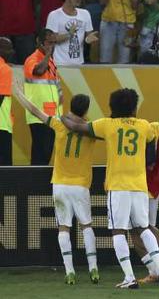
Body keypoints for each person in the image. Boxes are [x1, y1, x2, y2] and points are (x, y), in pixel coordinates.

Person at [59, 87, 159, 288]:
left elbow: (76, 127)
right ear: (134, 108)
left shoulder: (107, 125)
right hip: (140, 187)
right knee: (143, 229)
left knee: (118, 231)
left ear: (112, 107)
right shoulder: (145, 126)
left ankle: (129, 278)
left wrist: (61, 116)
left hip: (118, 187)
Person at [13, 85, 99, 285]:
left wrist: (18, 94)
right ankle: (93, 269)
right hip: (80, 185)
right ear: (86, 110)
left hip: (59, 184)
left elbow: (35, 111)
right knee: (86, 226)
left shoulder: (59, 124)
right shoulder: (91, 129)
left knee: (63, 228)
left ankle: (69, 272)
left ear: (71, 107)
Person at [24, 29, 62, 165]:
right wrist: (47, 55)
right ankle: (34, 183)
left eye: (53, 43)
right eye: (48, 43)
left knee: (46, 153)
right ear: (39, 42)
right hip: (38, 114)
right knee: (40, 154)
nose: (51, 46)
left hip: (51, 115)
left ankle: (36, 183)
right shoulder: (33, 59)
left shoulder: (50, 61)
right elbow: (39, 71)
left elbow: (55, 85)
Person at [46, 0, 96, 66]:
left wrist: (89, 40)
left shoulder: (85, 14)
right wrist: (69, 34)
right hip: (59, 64)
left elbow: (89, 37)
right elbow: (51, 39)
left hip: (79, 64)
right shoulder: (54, 15)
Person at [0, 38, 11, 165]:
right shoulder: (4, 69)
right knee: (4, 167)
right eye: (8, 48)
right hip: (2, 124)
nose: (12, 52)